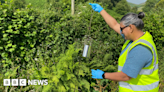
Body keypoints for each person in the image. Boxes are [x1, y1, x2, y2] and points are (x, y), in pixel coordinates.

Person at [89, 3, 159, 92]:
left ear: (130, 27)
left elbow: (125, 76)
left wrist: (103, 75)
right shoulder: (134, 39)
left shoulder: (140, 48)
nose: (121, 31)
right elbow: (114, 24)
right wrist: (101, 10)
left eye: (122, 29)